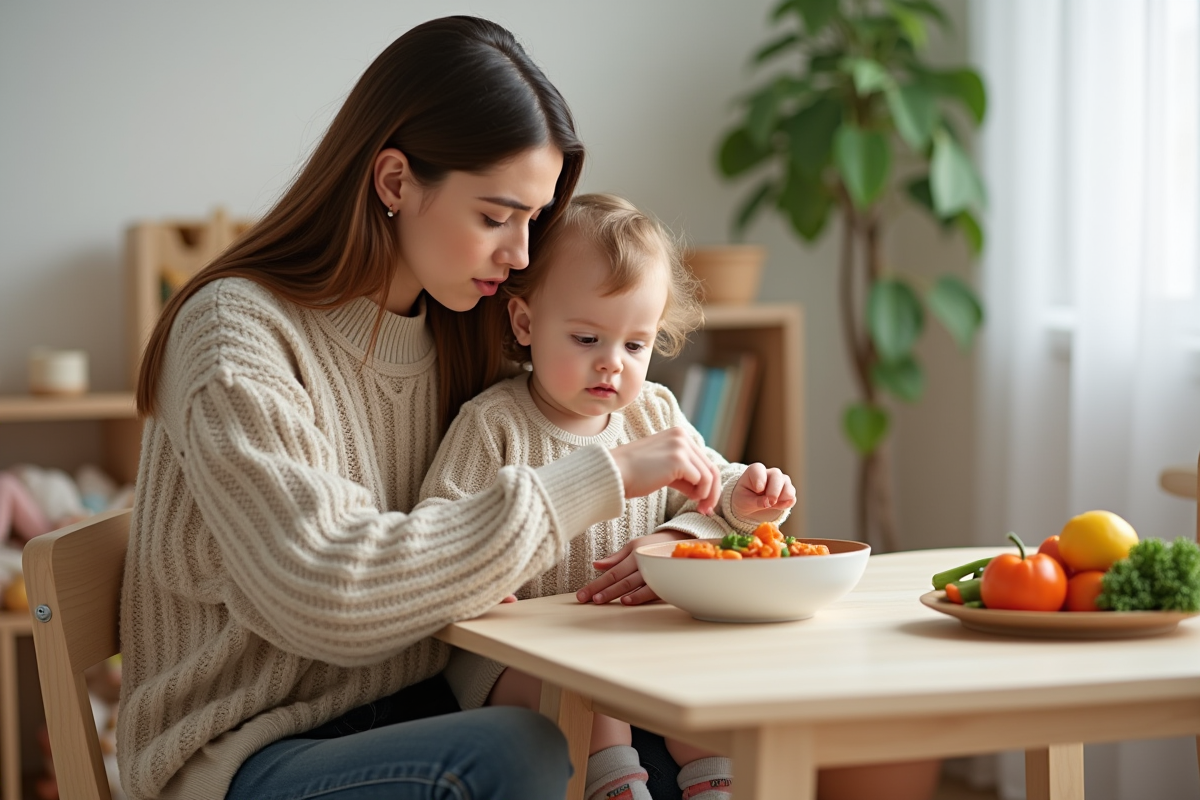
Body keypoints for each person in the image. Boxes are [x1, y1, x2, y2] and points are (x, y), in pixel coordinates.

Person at [119, 17, 726, 800]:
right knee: (521, 754)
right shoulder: (235, 334)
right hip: (253, 746)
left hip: (421, 707)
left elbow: (639, 451)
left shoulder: (461, 328)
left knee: (689, 736)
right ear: (396, 182)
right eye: (495, 216)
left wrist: (689, 529)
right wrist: (600, 476)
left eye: (534, 222)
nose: (520, 256)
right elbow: (323, 591)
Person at [419, 193, 797, 800]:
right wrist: (479, 572)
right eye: (588, 337)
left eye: (635, 345)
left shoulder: (653, 413)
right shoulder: (493, 424)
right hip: (517, 656)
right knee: (589, 699)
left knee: (711, 676)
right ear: (524, 323)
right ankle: (618, 789)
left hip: (632, 644)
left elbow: (708, 496)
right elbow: (438, 525)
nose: (612, 365)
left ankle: (715, 786)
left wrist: (743, 499)